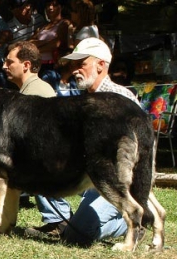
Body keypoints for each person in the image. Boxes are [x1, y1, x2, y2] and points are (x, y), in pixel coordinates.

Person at [32, 37, 141, 246]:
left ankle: (132, 222)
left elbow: (134, 158)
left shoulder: (120, 99)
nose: (74, 70)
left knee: (77, 236)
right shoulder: (82, 99)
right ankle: (59, 221)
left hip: (119, 182)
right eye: (73, 64)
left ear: (101, 65)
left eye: (81, 64)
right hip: (88, 177)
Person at [2, 41, 72, 236]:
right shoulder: (29, 90)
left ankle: (60, 220)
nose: (4, 66)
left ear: (26, 65)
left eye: (10, 62)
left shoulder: (37, 92)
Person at [29, 0, 71, 87]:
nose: (50, 8)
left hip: (52, 66)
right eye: (48, 5)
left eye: (54, 5)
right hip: (38, 65)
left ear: (61, 7)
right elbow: (29, 42)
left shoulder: (64, 23)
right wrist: (46, 42)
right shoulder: (43, 26)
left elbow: (56, 44)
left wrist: (35, 49)